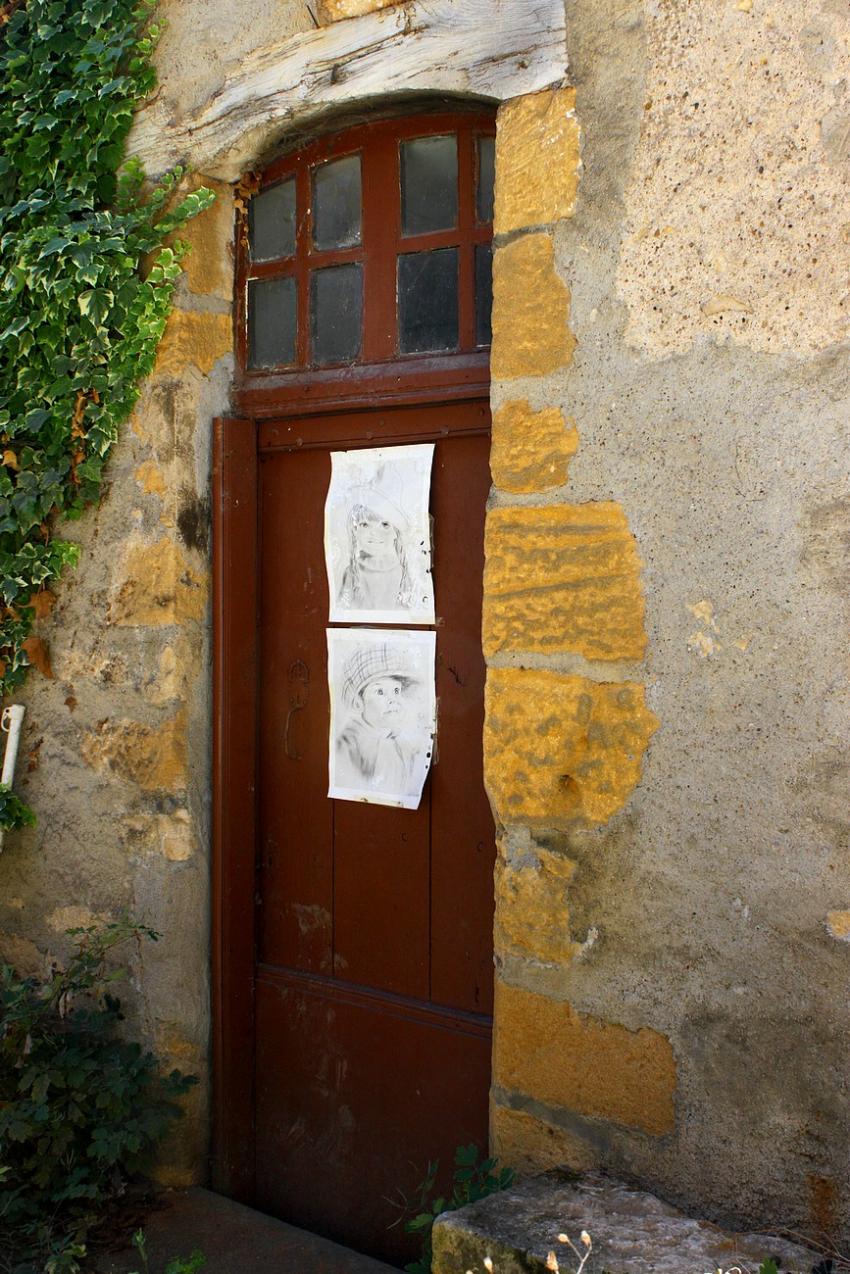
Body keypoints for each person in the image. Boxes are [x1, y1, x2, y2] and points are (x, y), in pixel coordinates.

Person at [334, 643, 426, 797]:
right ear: (358, 703)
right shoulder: (349, 745)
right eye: (380, 692)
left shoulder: (400, 744)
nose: (393, 699)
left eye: (396, 690)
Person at [337, 485, 414, 614]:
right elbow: (343, 611)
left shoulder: (404, 573)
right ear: (355, 530)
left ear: (396, 532)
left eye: (384, 525)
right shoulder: (352, 572)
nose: (374, 532)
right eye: (365, 524)